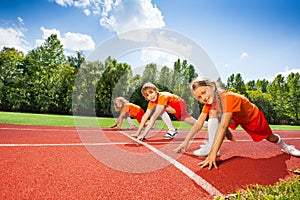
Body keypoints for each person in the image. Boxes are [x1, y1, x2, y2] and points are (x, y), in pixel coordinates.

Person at [174, 77, 300, 170]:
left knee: (271, 137)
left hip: (252, 118)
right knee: (213, 113)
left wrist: (212, 155)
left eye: (204, 92)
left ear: (212, 87)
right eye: (199, 98)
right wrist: (185, 143)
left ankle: (286, 147)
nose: (203, 98)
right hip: (236, 117)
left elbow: (223, 126)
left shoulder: (228, 98)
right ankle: (213, 145)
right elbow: (198, 123)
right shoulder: (209, 104)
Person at [132, 82, 207, 141]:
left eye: (151, 92)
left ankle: (172, 130)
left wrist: (143, 134)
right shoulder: (152, 102)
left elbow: (154, 117)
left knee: (159, 111)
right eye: (147, 95)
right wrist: (138, 132)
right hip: (175, 109)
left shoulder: (162, 96)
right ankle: (212, 124)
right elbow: (145, 116)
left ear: (155, 91)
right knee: (196, 123)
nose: (150, 96)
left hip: (179, 104)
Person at [111, 97, 176, 131]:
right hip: (136, 112)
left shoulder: (125, 106)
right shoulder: (122, 109)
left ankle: (152, 123)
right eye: (117, 103)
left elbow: (121, 117)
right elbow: (120, 117)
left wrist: (118, 126)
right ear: (116, 105)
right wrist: (115, 124)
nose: (118, 104)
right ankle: (133, 125)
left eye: (119, 102)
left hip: (138, 112)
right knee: (126, 116)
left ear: (122, 102)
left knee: (144, 125)